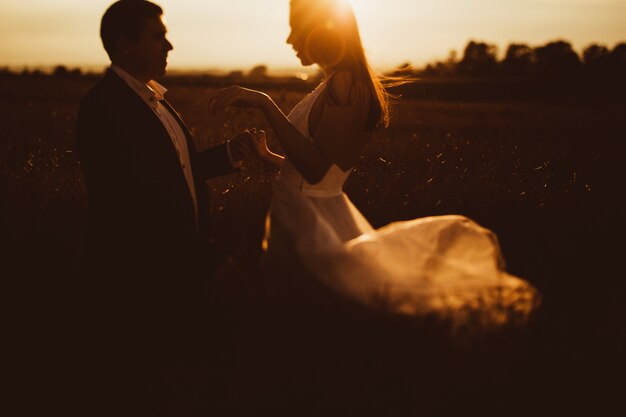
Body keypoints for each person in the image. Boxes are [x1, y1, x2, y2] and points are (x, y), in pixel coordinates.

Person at [208, 0, 539, 327]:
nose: (289, 39)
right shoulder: (335, 82)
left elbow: (317, 171)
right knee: (296, 321)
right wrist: (268, 156)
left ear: (322, 29)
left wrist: (263, 102)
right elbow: (318, 174)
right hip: (299, 213)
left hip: (309, 223)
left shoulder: (344, 84)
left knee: (306, 320)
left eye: (295, 29)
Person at [74, 1, 255, 414]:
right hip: (140, 277)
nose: (169, 45)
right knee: (148, 384)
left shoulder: (154, 100)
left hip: (175, 268)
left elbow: (175, 171)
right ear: (124, 44)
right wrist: (202, 259)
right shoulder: (104, 108)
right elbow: (133, 204)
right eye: (157, 36)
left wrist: (229, 155)